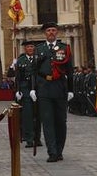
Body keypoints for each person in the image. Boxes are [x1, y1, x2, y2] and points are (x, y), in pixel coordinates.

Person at [31, 21, 72, 162]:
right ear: (45, 33)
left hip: (60, 88)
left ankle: (59, 150)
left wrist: (71, 89)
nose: (51, 33)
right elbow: (34, 71)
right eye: (48, 30)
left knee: (61, 121)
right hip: (44, 88)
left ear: (57, 32)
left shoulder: (64, 48)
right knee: (47, 122)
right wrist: (33, 88)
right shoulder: (39, 49)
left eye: (54, 30)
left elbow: (69, 70)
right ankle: (52, 152)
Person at [10, 37, 41, 147]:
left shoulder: (39, 59)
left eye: (32, 46)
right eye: (28, 46)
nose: (30, 48)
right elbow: (17, 77)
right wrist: (18, 90)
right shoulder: (21, 60)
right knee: (27, 115)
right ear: (25, 48)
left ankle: (37, 138)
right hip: (25, 89)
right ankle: (29, 138)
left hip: (38, 89)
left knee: (38, 114)